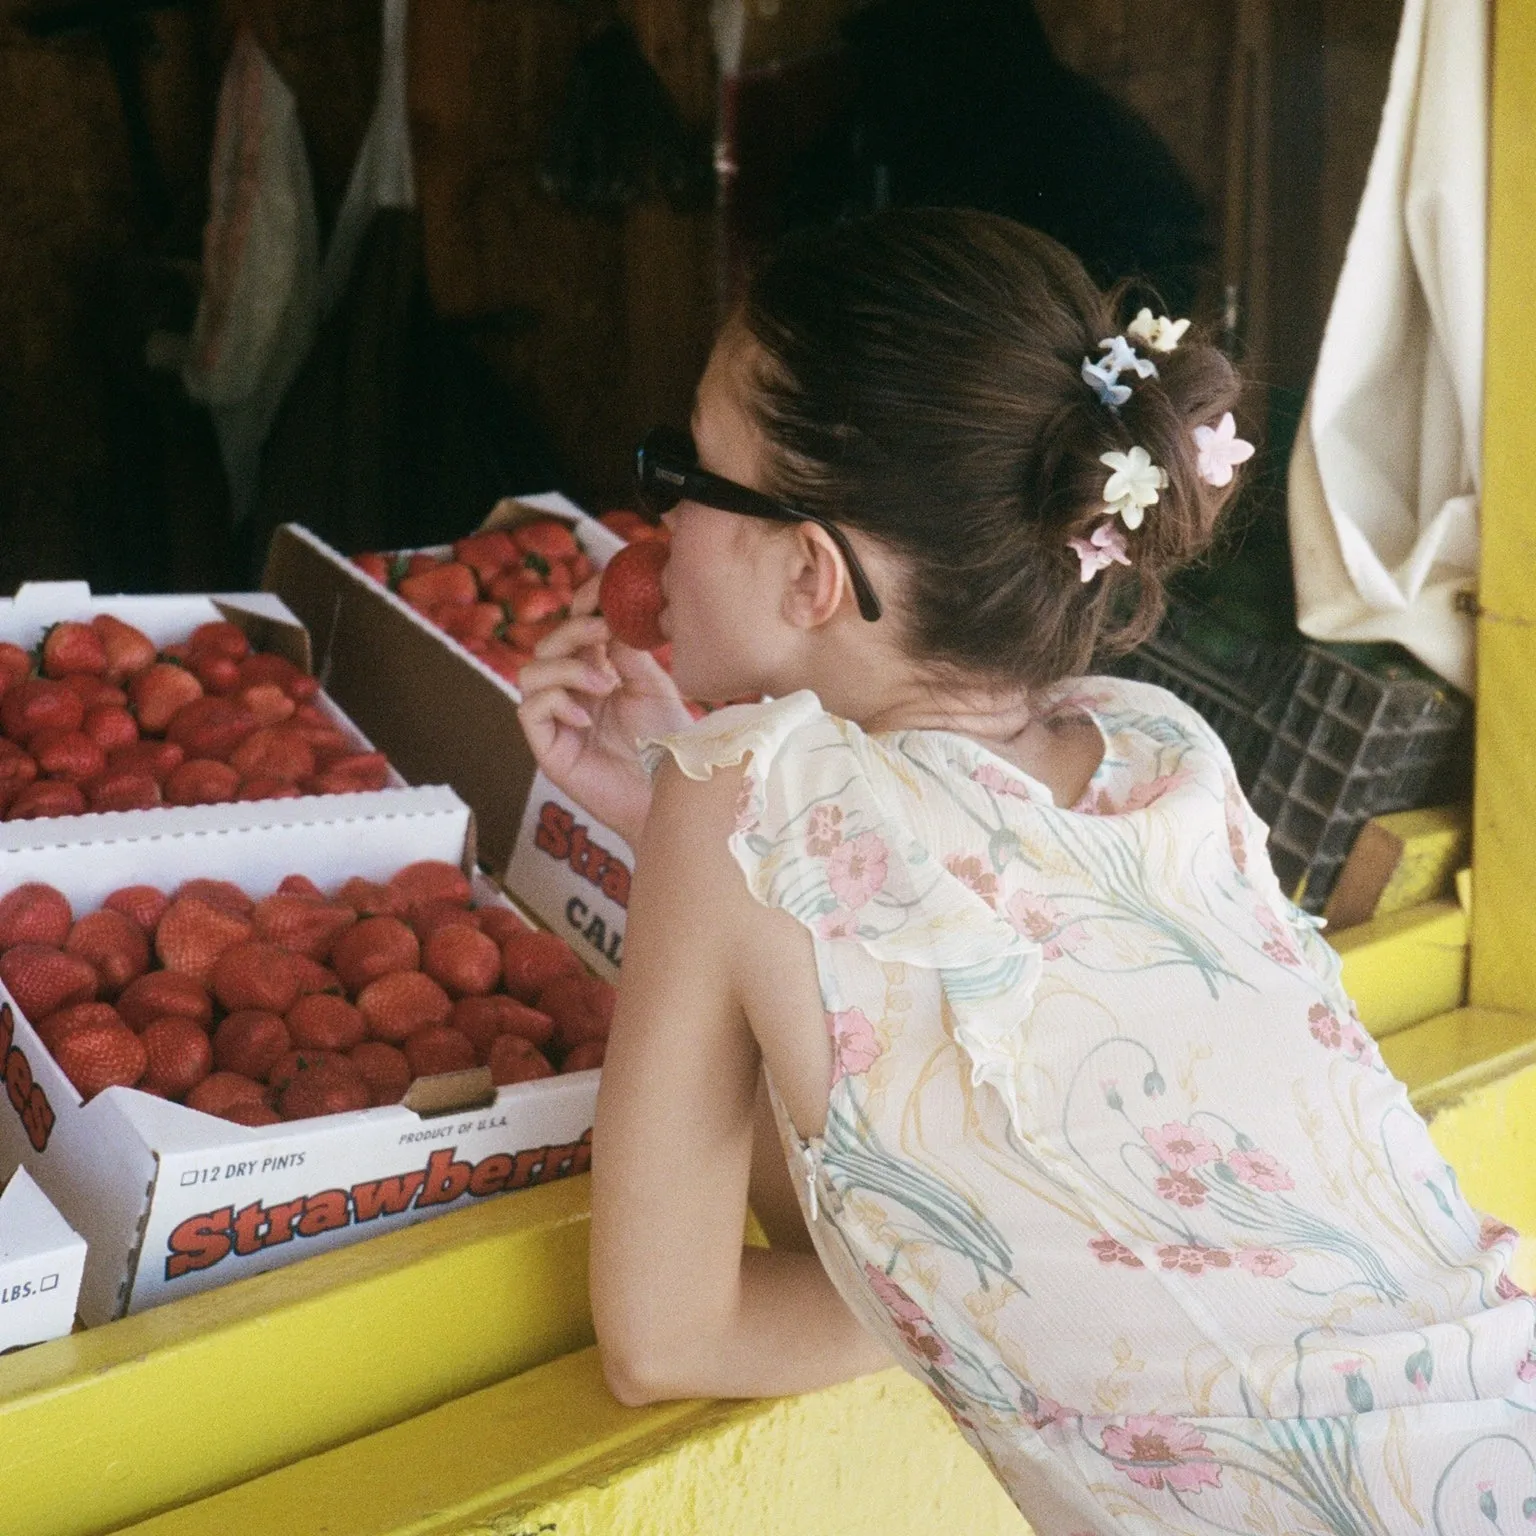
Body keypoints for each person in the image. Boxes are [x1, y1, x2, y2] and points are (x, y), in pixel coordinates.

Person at [517, 209, 1536, 1534]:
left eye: (686, 472)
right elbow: (947, 1167)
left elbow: (666, 1339)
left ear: (811, 572)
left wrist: (666, 828)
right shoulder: (1167, 754)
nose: (657, 519)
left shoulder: (737, 806)